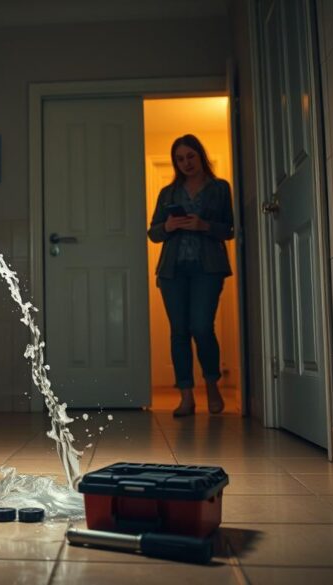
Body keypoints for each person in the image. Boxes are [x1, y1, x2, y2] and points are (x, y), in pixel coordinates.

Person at [147, 134, 234, 417]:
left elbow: (229, 230)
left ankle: (211, 385)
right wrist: (169, 226)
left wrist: (204, 225)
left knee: (201, 327)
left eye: (190, 156)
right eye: (180, 159)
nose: (186, 163)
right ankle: (186, 396)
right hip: (173, 271)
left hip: (207, 268)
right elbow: (154, 233)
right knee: (179, 332)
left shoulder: (220, 188)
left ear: (201, 155)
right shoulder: (168, 193)